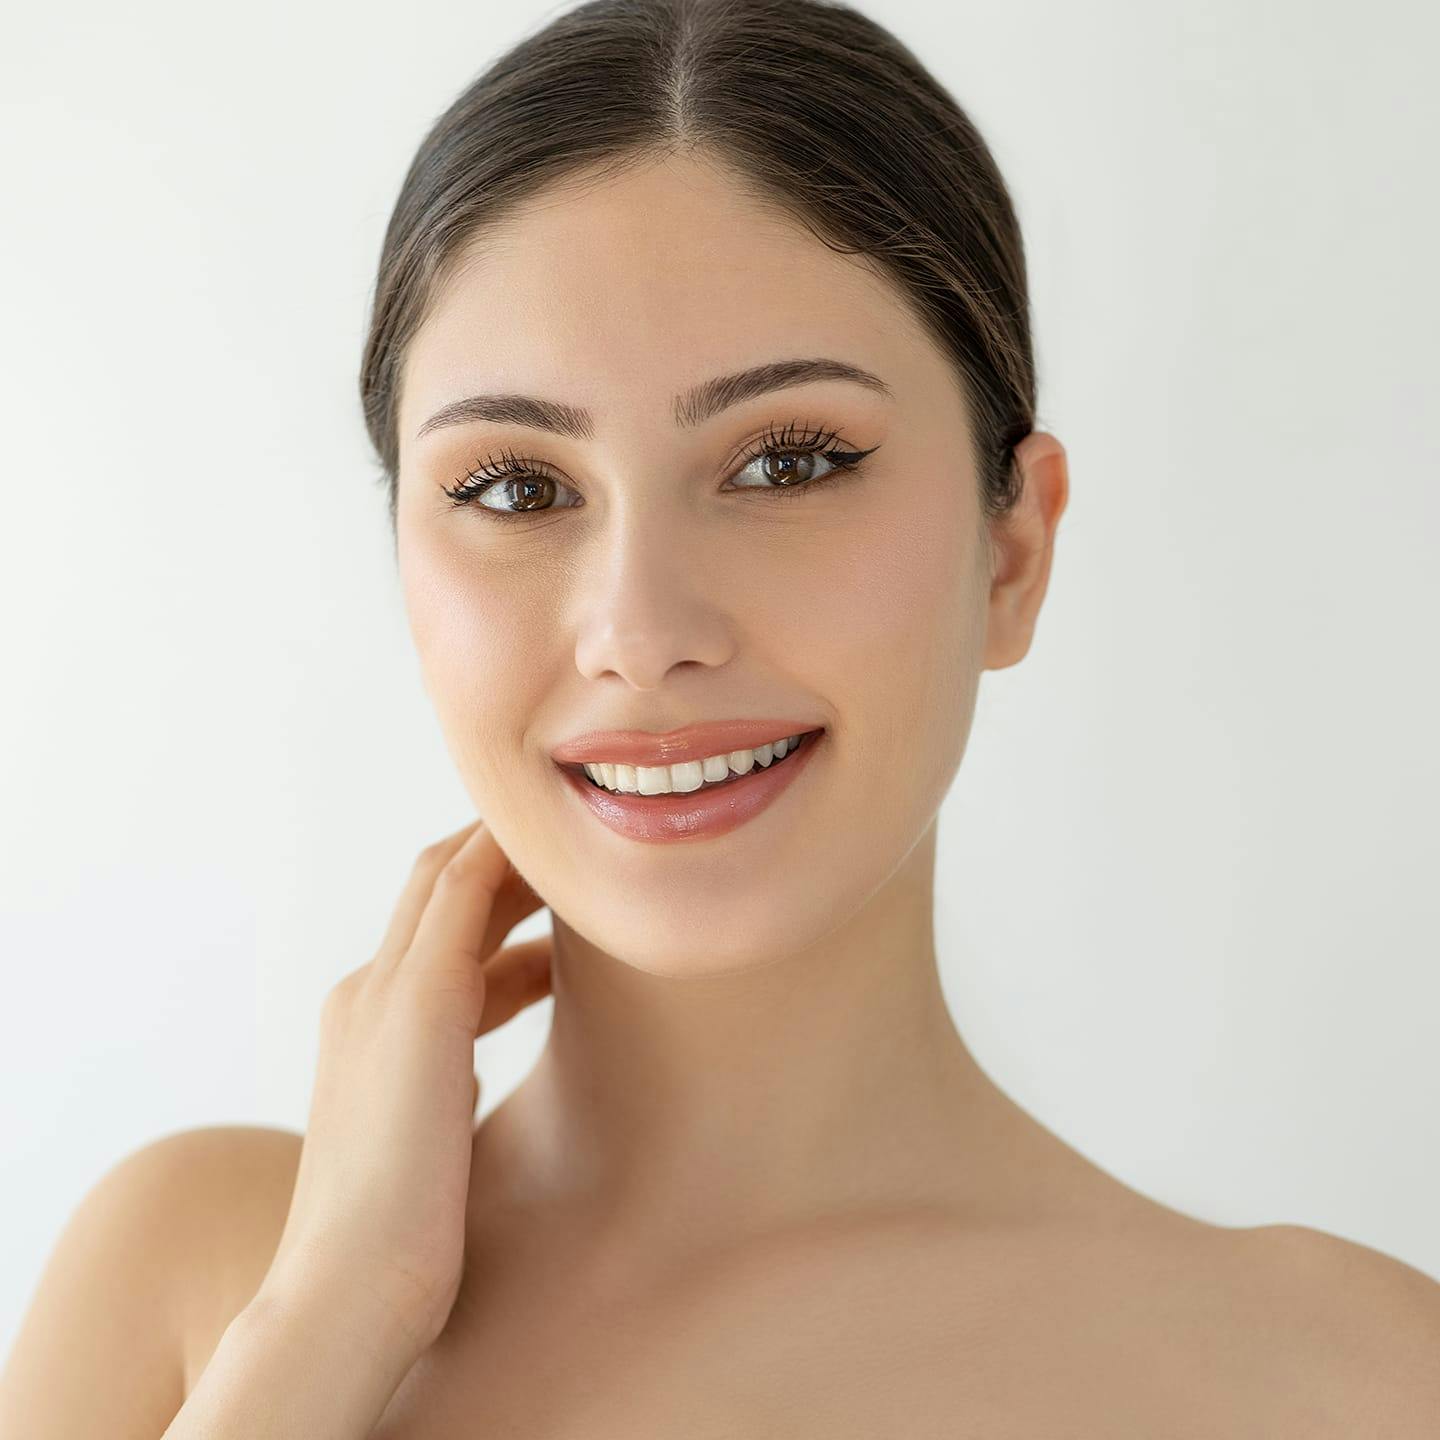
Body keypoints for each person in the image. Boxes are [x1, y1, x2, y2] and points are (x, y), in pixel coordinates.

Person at [5, 0, 1438, 1434]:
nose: (639, 630)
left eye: (789, 463)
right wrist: (334, 1318)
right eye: (515, 488)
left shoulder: (1345, 1377)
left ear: (1012, 552)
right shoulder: (198, 1280)